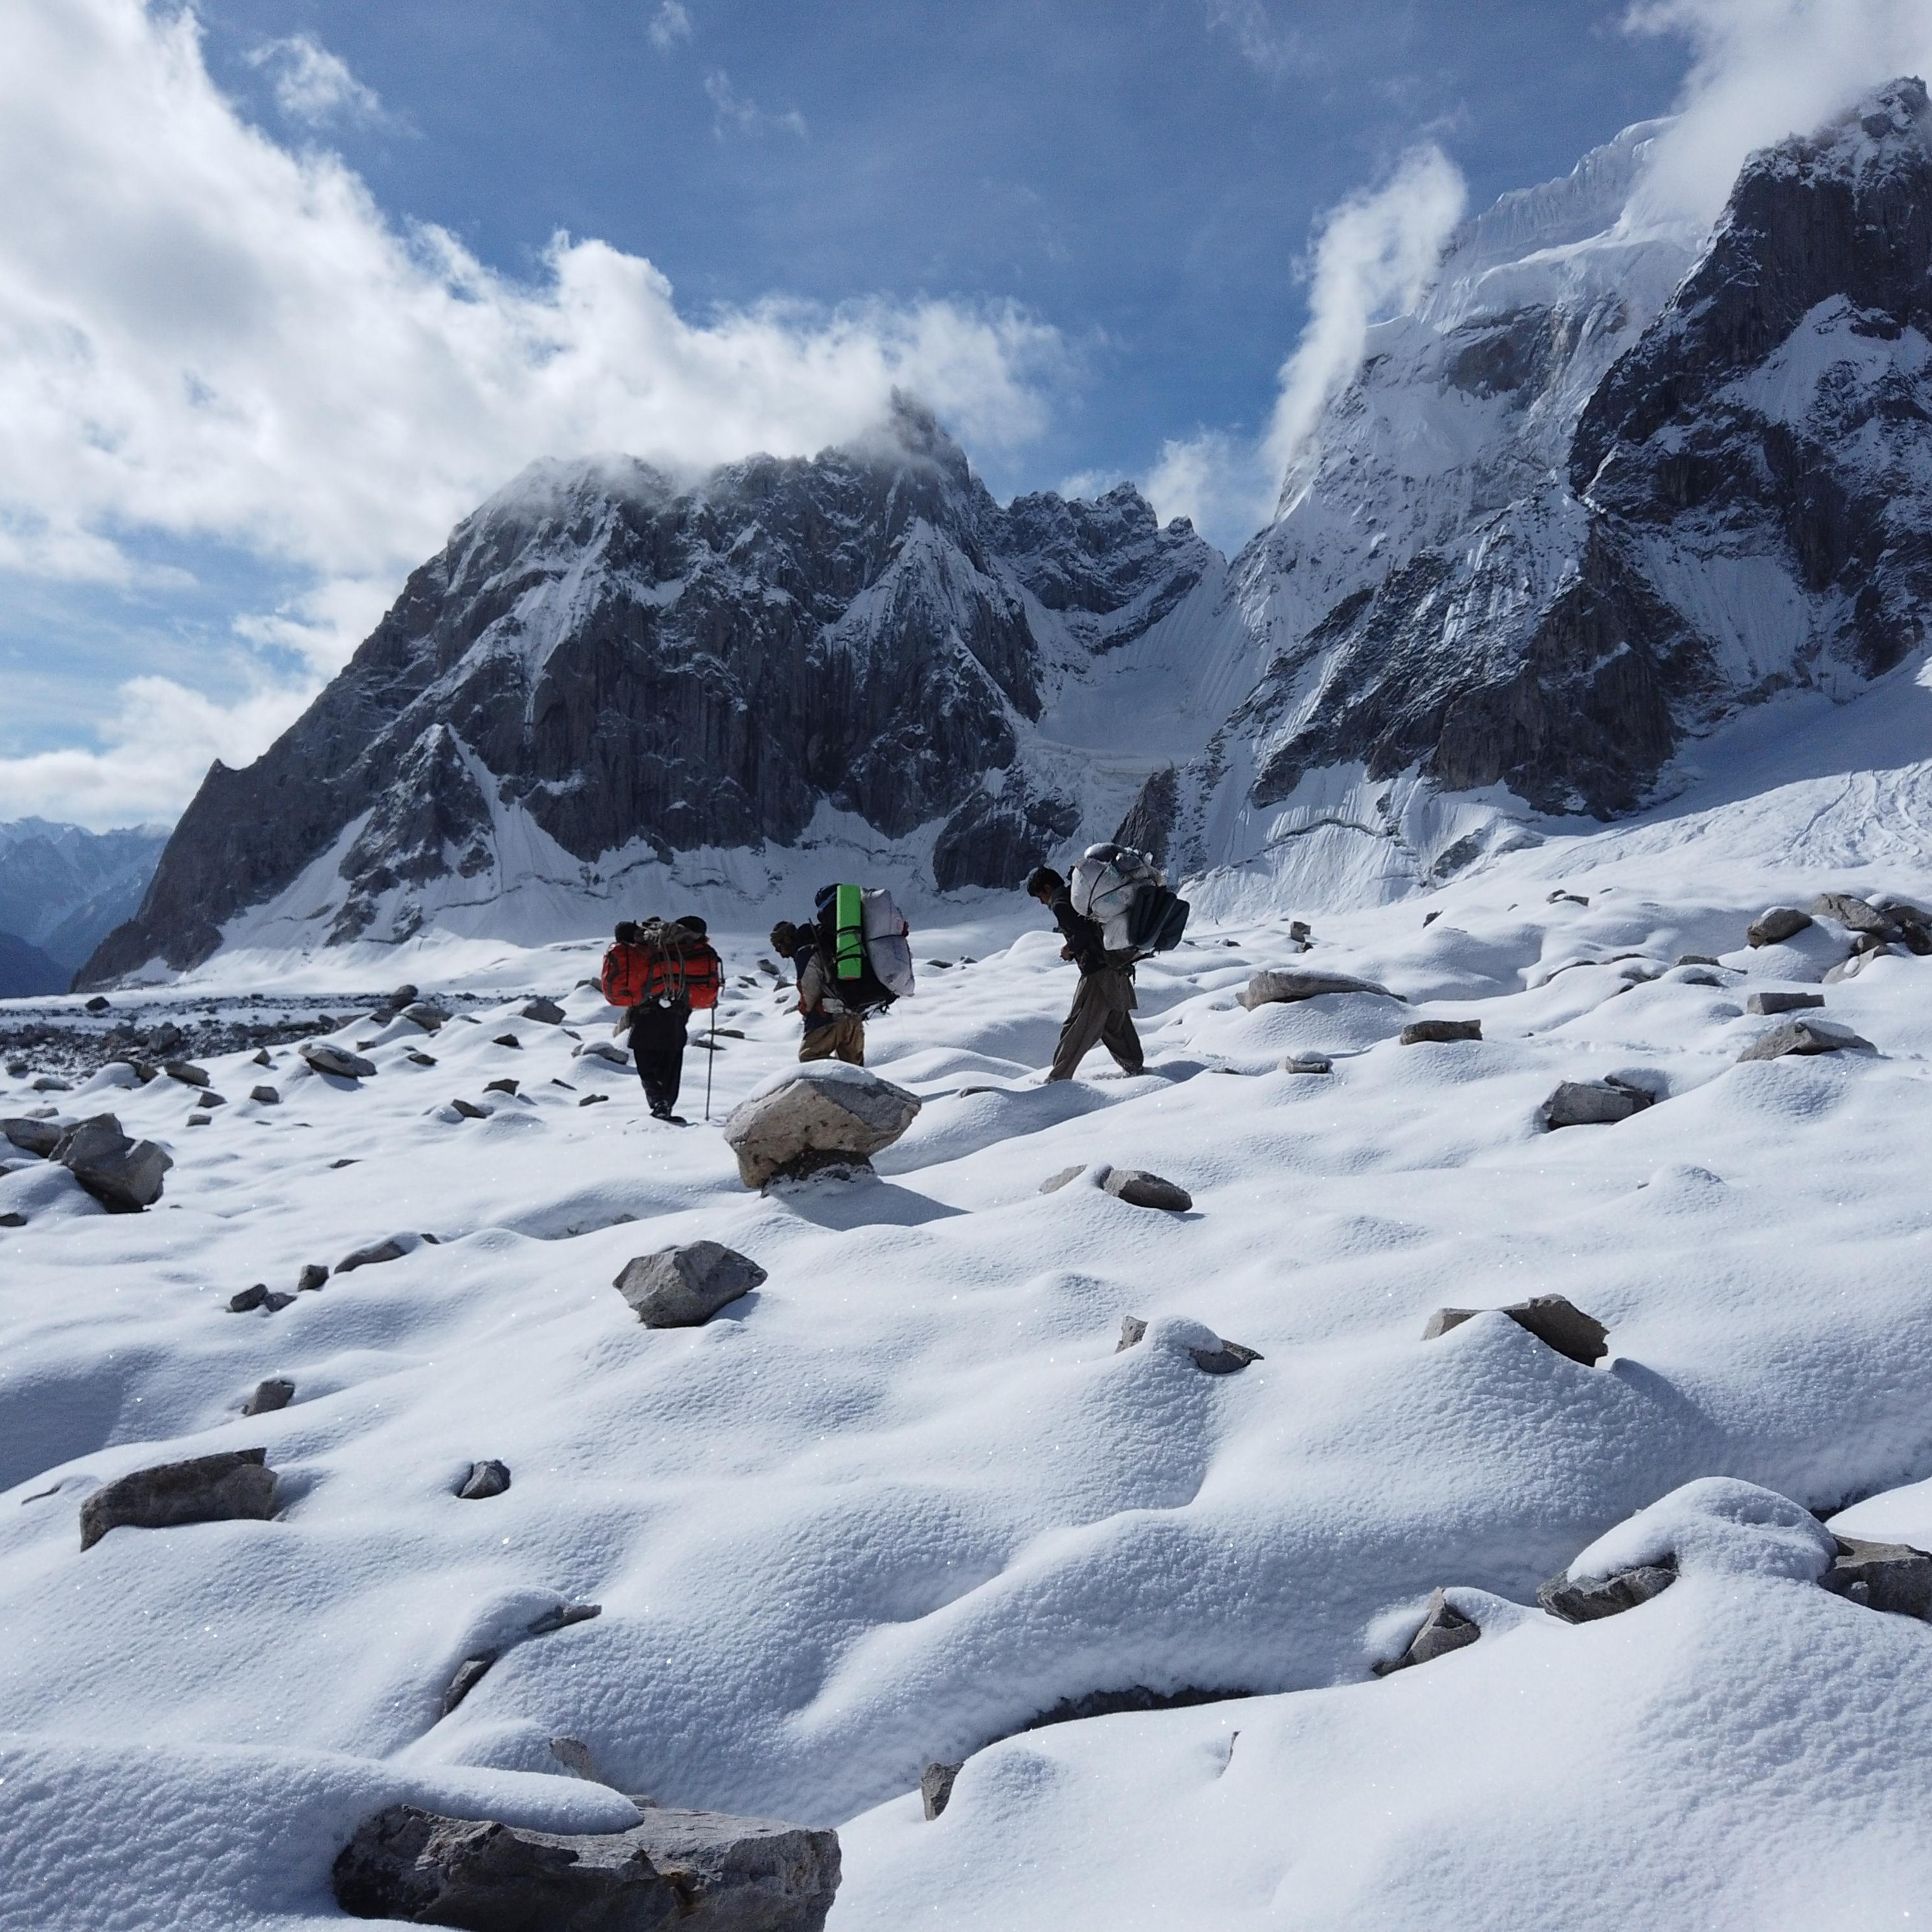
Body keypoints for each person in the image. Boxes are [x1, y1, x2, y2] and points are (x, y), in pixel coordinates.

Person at [1026, 865, 1145, 1082]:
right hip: (1114, 967)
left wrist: (1069, 949)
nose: (1042, 902)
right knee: (1113, 1023)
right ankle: (1135, 1066)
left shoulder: (1061, 904)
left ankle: (1058, 1079)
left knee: (1078, 1027)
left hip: (1097, 973)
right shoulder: (1076, 898)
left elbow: (1084, 933)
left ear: (1047, 888)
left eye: (1040, 896)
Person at [606, 915, 721, 1121]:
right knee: (671, 1064)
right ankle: (666, 1104)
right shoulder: (691, 950)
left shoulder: (650, 948)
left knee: (647, 1066)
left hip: (647, 1013)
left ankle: (659, 1103)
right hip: (677, 1014)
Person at [769, 918, 865, 1065]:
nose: (781, 954)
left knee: (809, 1057)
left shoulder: (805, 951)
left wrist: (805, 1008)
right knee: (854, 1067)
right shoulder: (824, 944)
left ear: (787, 939)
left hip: (831, 1016)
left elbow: (810, 988)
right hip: (855, 1013)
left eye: (778, 946)